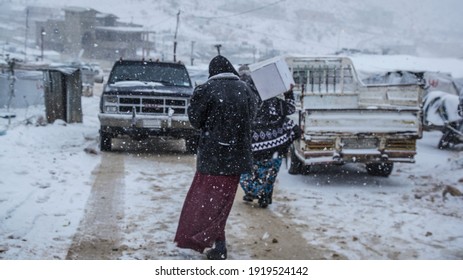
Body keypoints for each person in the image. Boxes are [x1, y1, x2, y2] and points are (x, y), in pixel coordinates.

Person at [174, 55, 259, 260]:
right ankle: (217, 243)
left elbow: (195, 120)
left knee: (206, 202)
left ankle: (211, 242)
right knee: (222, 204)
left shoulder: (205, 90)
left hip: (212, 159)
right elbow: (253, 115)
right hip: (236, 159)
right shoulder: (246, 89)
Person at [239, 73, 300, 208]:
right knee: (269, 175)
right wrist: (289, 93)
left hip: (252, 149)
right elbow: (290, 108)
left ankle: (253, 192)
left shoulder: (245, 103)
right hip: (273, 147)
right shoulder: (271, 102)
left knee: (247, 175)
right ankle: (264, 196)